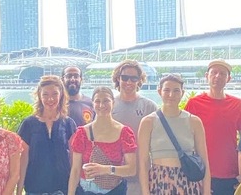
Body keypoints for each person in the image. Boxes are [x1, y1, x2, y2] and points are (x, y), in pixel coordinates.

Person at [137, 74, 211, 195]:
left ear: (182, 93)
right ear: (159, 92)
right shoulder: (148, 122)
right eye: (167, 90)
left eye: (176, 90)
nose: (171, 95)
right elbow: (144, 162)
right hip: (159, 180)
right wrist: (145, 192)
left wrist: (206, 191)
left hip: (188, 182)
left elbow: (204, 160)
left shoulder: (194, 121)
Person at [184, 59, 241, 195]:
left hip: (231, 173)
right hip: (201, 171)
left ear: (228, 79)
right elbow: (184, 138)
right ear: (206, 76)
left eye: (222, 74)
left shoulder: (237, 104)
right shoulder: (194, 103)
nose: (217, 76)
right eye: (214, 73)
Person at [68, 87, 137, 195]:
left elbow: (131, 169)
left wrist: (105, 169)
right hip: (86, 190)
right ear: (93, 104)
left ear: (113, 103)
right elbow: (75, 170)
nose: (101, 105)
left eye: (106, 101)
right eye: (97, 101)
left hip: (115, 190)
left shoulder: (124, 133)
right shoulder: (82, 133)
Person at [18, 75, 78, 195]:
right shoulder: (28, 124)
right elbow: (23, 160)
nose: (50, 99)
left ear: (61, 95)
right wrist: (19, 191)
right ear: (39, 96)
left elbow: (74, 162)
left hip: (62, 189)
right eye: (45, 94)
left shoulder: (68, 124)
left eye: (55, 94)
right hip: (34, 189)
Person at [111, 60, 158, 195]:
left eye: (134, 78)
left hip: (142, 177)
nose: (129, 82)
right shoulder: (108, 106)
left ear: (139, 80)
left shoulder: (150, 107)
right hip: (114, 178)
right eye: (125, 77)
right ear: (118, 79)